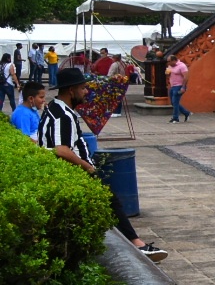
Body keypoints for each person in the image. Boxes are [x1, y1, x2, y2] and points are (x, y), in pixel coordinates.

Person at [39, 67, 167, 262]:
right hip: (78, 171)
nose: (85, 92)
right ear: (71, 90)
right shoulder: (62, 115)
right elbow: (61, 149)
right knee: (111, 203)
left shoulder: (57, 110)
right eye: (82, 88)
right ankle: (137, 244)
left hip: (75, 169)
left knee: (110, 203)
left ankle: (135, 243)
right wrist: (87, 166)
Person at [166, 55, 191, 123]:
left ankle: (175, 118)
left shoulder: (182, 66)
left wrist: (183, 87)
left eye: (169, 61)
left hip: (179, 86)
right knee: (173, 102)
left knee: (175, 102)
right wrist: (167, 73)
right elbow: (168, 75)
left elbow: (186, 77)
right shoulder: (170, 66)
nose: (168, 63)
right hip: (172, 85)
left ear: (174, 60)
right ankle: (186, 113)